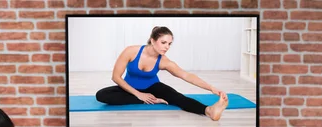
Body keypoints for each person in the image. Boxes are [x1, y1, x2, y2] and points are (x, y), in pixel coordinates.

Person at [95, 26, 229, 121]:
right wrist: (139, 95)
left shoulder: (164, 61)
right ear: (153, 41)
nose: (167, 47)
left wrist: (212, 88)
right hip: (129, 88)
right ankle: (152, 100)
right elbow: (116, 77)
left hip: (153, 87)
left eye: (170, 44)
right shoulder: (131, 51)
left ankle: (208, 111)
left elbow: (186, 75)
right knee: (101, 95)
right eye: (163, 42)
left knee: (177, 97)